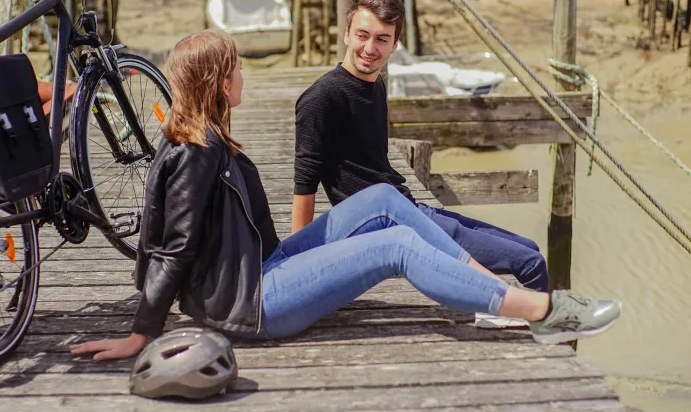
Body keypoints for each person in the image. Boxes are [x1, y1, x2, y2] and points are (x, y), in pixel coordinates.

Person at [70, 30, 622, 362]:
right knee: (397, 246)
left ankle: (479, 284)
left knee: (381, 199)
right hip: (254, 303)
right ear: (219, 82)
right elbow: (172, 248)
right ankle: (543, 311)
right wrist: (141, 332)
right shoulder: (196, 151)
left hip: (263, 266)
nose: (244, 75)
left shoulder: (206, 135)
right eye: (236, 67)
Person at [291, 0, 549, 326]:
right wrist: (301, 266)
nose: (370, 49)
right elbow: (304, 184)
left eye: (382, 40)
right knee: (531, 264)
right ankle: (547, 331)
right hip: (382, 222)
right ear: (346, 33)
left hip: (408, 207)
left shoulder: (376, 84)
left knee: (529, 247)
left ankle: (516, 314)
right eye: (362, 36)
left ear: (395, 44)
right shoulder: (321, 98)